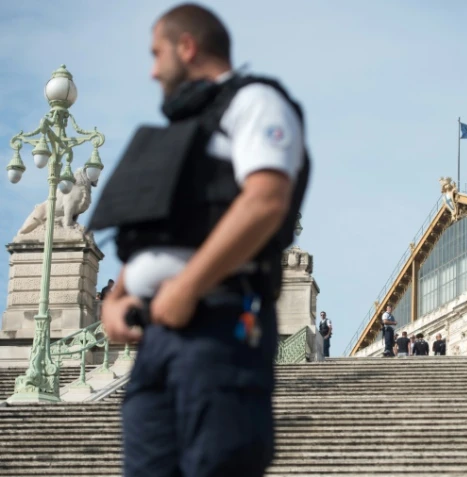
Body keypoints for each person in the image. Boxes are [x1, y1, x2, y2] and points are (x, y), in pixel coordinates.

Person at [88, 4, 310, 476]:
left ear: (186, 47)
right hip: (157, 338)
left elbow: (266, 201)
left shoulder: (255, 103)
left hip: (220, 321)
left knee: (216, 464)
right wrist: (118, 297)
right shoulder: (182, 132)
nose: (151, 71)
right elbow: (160, 232)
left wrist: (187, 287)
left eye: (156, 53)